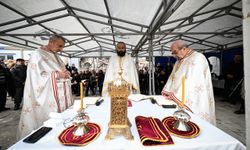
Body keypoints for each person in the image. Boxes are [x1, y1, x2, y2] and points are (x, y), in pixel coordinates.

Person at [17, 35, 73, 139]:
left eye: (62, 47)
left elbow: (61, 69)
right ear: (51, 42)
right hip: (47, 94)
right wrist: (57, 75)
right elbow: (36, 76)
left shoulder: (55, 55)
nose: (61, 50)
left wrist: (66, 72)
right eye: (59, 46)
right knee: (48, 123)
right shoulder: (37, 54)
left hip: (60, 94)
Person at [162, 40, 216, 125]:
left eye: (175, 52)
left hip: (193, 97)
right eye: (172, 53)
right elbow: (173, 77)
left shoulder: (198, 58)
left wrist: (175, 95)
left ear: (184, 49)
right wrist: (169, 91)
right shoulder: (178, 61)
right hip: (177, 98)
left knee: (196, 122)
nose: (174, 55)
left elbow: (194, 81)